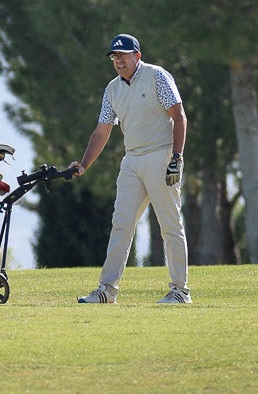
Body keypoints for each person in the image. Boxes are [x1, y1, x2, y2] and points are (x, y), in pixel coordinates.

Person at [69, 33, 191, 305]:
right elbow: (102, 131)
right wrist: (84, 164)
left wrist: (176, 157)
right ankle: (106, 291)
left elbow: (179, 116)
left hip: (161, 156)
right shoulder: (112, 89)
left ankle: (180, 292)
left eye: (123, 55)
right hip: (132, 161)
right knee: (121, 225)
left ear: (137, 55)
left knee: (170, 226)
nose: (119, 60)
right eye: (114, 56)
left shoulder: (157, 76)